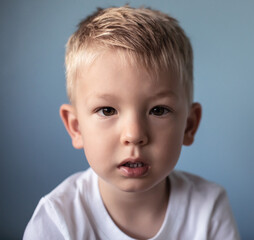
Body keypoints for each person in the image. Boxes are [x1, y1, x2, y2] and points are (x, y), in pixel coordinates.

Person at [23, 5, 240, 240]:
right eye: (107, 110)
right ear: (76, 127)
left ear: (189, 125)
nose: (134, 134)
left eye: (158, 110)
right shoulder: (58, 219)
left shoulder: (208, 210)